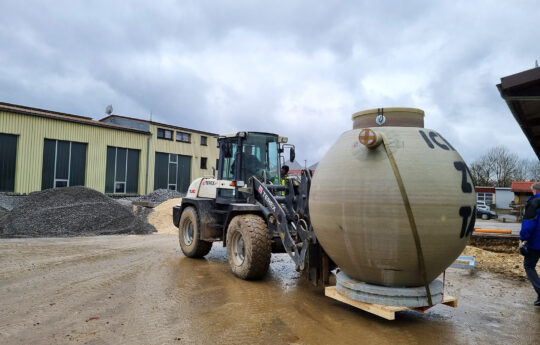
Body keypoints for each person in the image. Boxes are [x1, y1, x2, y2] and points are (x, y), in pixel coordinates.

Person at [520, 182, 540, 307]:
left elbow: (528, 223)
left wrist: (523, 239)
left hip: (536, 243)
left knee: (529, 265)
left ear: (534, 191)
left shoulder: (534, 203)